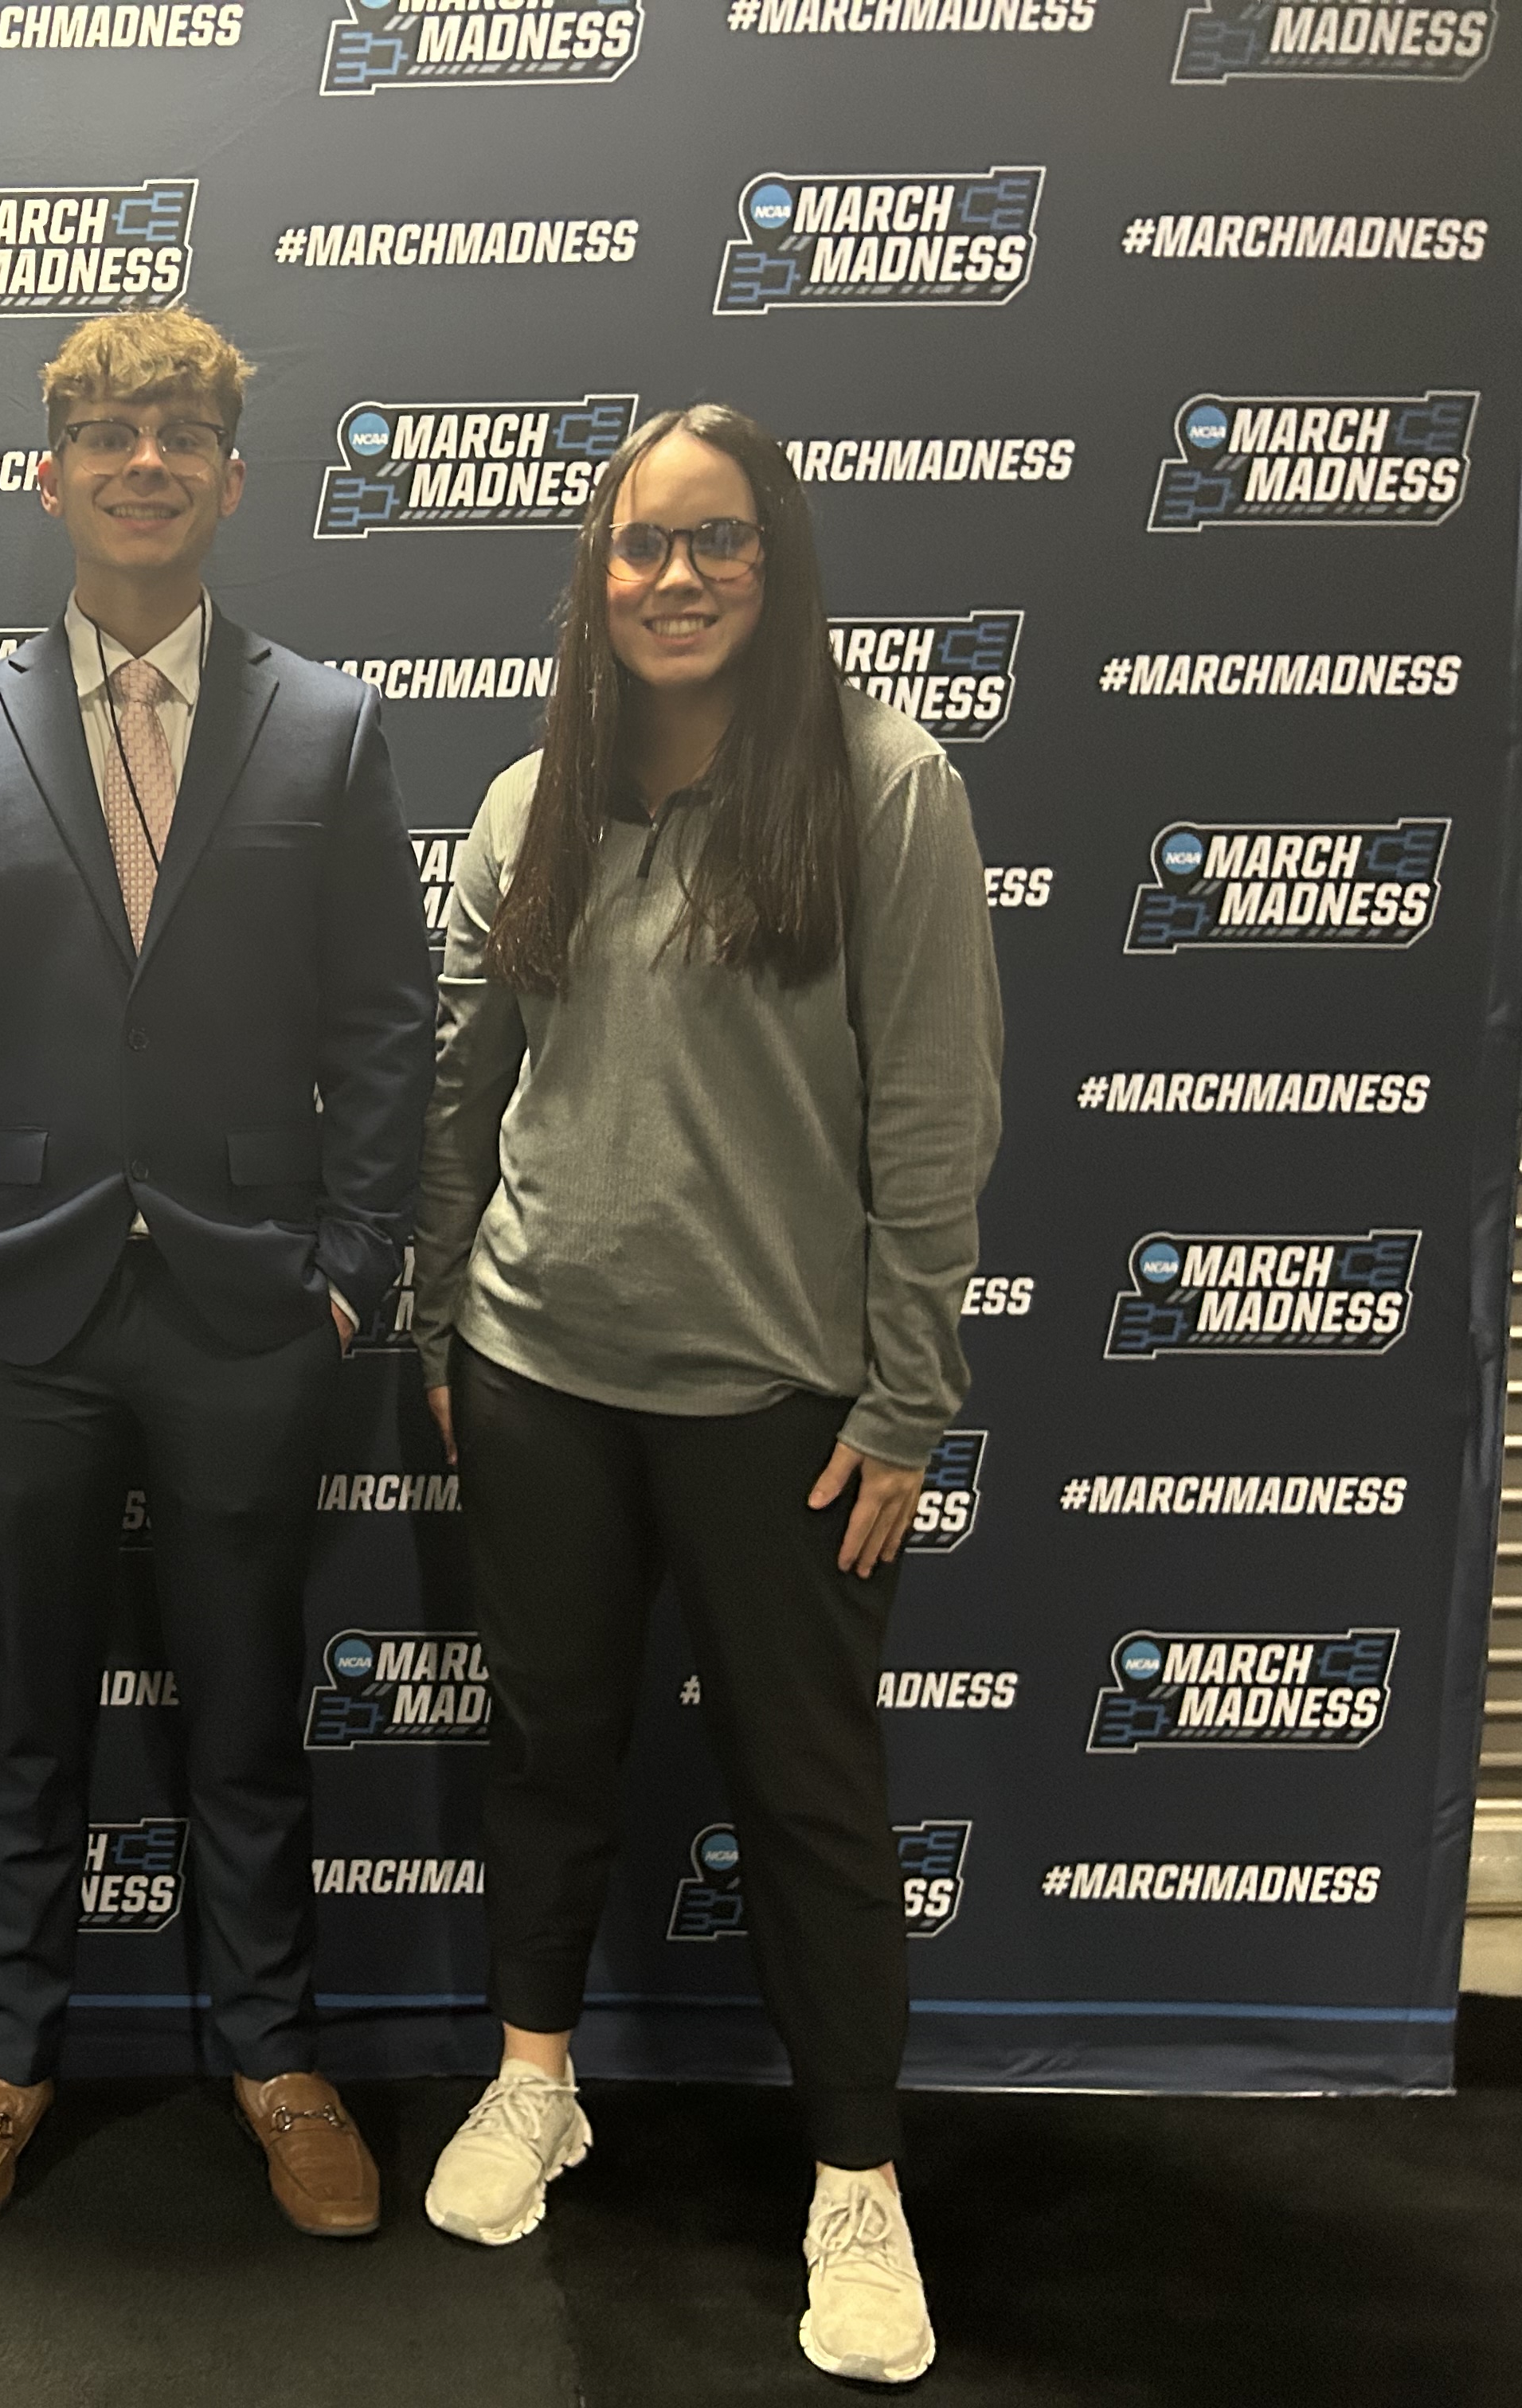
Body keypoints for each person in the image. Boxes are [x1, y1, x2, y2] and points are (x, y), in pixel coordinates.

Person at [412, 402, 1004, 2384]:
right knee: (548, 1756)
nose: (677, 577)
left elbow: (932, 1126)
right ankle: (534, 2082)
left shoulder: (884, 788)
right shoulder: (529, 802)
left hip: (782, 1403)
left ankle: (857, 2189)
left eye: (720, 541)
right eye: (644, 544)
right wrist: (441, 1333)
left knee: (814, 1803)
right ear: (594, 572)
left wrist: (907, 1404)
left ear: (776, 564)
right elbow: (460, 1087)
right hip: (539, 1374)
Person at [0, 309, 435, 2243]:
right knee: (25, 1716)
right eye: (106, 432)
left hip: (250, 1306)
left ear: (229, 476)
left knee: (248, 1707)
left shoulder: (332, 727)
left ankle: (277, 2056)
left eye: (180, 432)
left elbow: (387, 1028)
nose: (143, 461)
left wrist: (352, 1271)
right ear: (50, 473)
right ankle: (4, 2059)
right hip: (12, 1307)